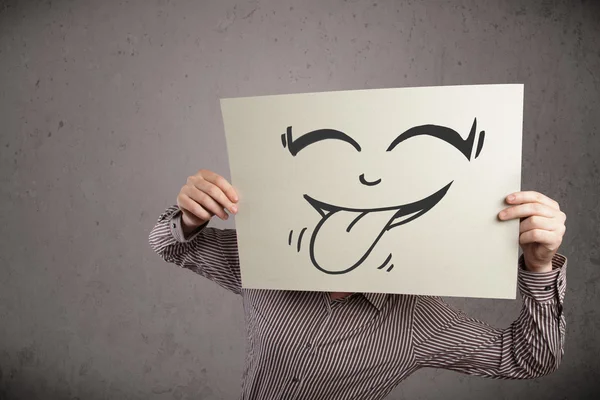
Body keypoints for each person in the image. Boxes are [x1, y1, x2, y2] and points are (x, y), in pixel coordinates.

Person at [149, 168, 567, 400]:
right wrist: (192, 216)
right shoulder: (268, 259)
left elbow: (528, 359)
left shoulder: (419, 320)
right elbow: (170, 245)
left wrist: (539, 267)